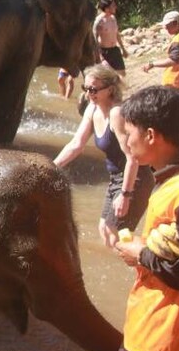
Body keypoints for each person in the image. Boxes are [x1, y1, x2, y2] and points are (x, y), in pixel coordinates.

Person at [112, 86, 179, 351]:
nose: (126, 142)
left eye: (129, 133)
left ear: (150, 135)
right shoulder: (172, 180)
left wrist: (143, 254)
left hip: (163, 336)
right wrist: (141, 254)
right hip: (148, 329)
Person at [53, 65, 154, 247]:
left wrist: (125, 194)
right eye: (85, 88)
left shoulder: (117, 114)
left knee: (115, 233)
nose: (88, 93)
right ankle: (128, 265)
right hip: (117, 178)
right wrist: (51, 167)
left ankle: (142, 262)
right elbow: (76, 144)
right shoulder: (92, 110)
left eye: (93, 89)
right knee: (104, 230)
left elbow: (133, 158)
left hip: (135, 178)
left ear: (109, 90)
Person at [143, 10, 179, 92]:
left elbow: (173, 61)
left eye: (167, 25)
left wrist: (152, 64)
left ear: (176, 23)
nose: (165, 28)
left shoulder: (178, 40)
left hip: (173, 82)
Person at [93, 0, 128, 76]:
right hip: (105, 52)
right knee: (109, 77)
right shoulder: (99, 21)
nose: (115, 7)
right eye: (113, 5)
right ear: (107, 8)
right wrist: (100, 56)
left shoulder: (113, 18)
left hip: (115, 50)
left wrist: (123, 48)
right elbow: (94, 40)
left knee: (122, 74)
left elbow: (116, 34)